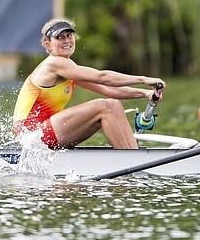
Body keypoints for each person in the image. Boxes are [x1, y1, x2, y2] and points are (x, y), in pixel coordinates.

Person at [13, 18, 165, 150]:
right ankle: (130, 160)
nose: (66, 41)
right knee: (104, 107)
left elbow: (109, 90)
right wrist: (143, 80)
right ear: (48, 44)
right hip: (31, 136)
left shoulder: (69, 68)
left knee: (114, 104)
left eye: (69, 36)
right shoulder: (54, 64)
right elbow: (102, 77)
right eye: (60, 38)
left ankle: (132, 155)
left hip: (44, 133)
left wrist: (145, 93)